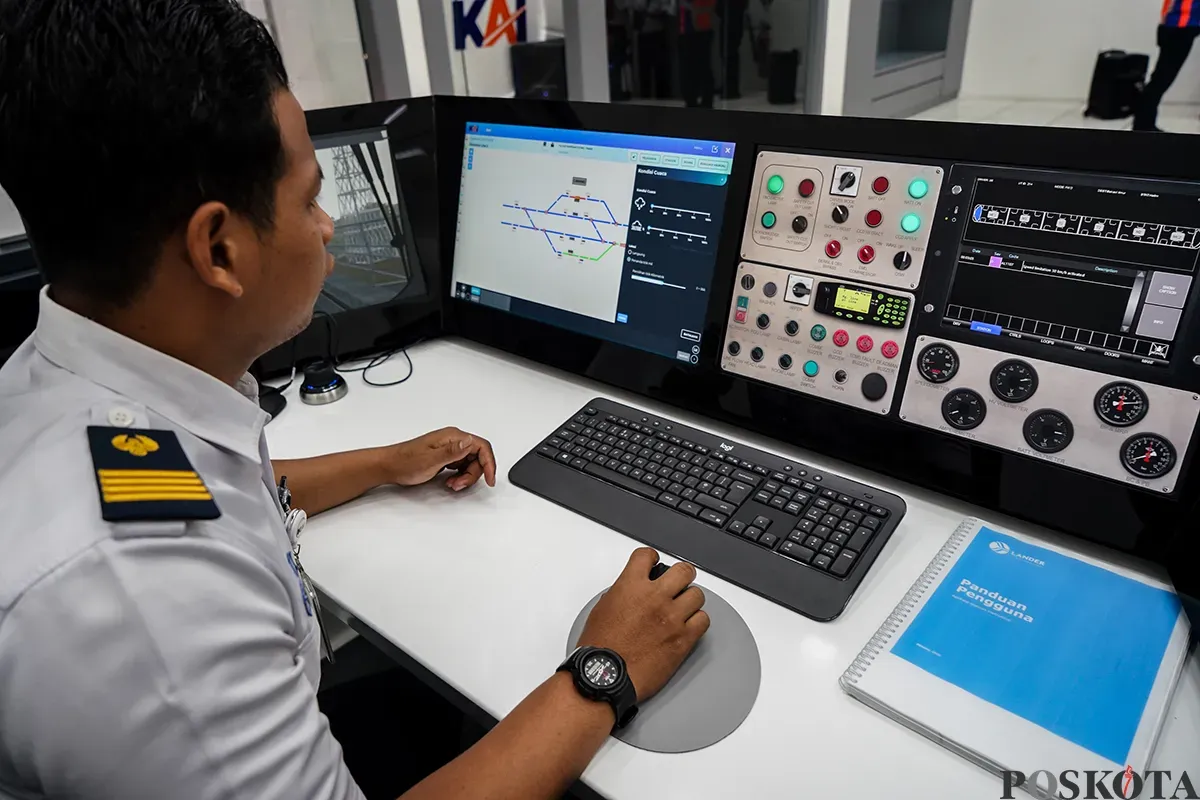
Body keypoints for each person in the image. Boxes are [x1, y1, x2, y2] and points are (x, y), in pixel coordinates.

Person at [0, 2, 710, 798]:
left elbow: (199, 487)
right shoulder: (146, 604)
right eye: (309, 199)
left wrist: (382, 463)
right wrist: (602, 672)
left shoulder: (65, 379)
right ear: (219, 249)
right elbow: (173, 545)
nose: (330, 225)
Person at [1134, 0, 1200, 131]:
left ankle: (1144, 124)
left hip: (1178, 26)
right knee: (1161, 80)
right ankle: (1143, 126)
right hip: (1180, 27)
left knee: (1160, 79)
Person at [679, 0, 717, 107]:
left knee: (700, 66)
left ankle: (701, 98)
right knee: (696, 66)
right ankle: (697, 98)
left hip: (698, 27)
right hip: (695, 26)